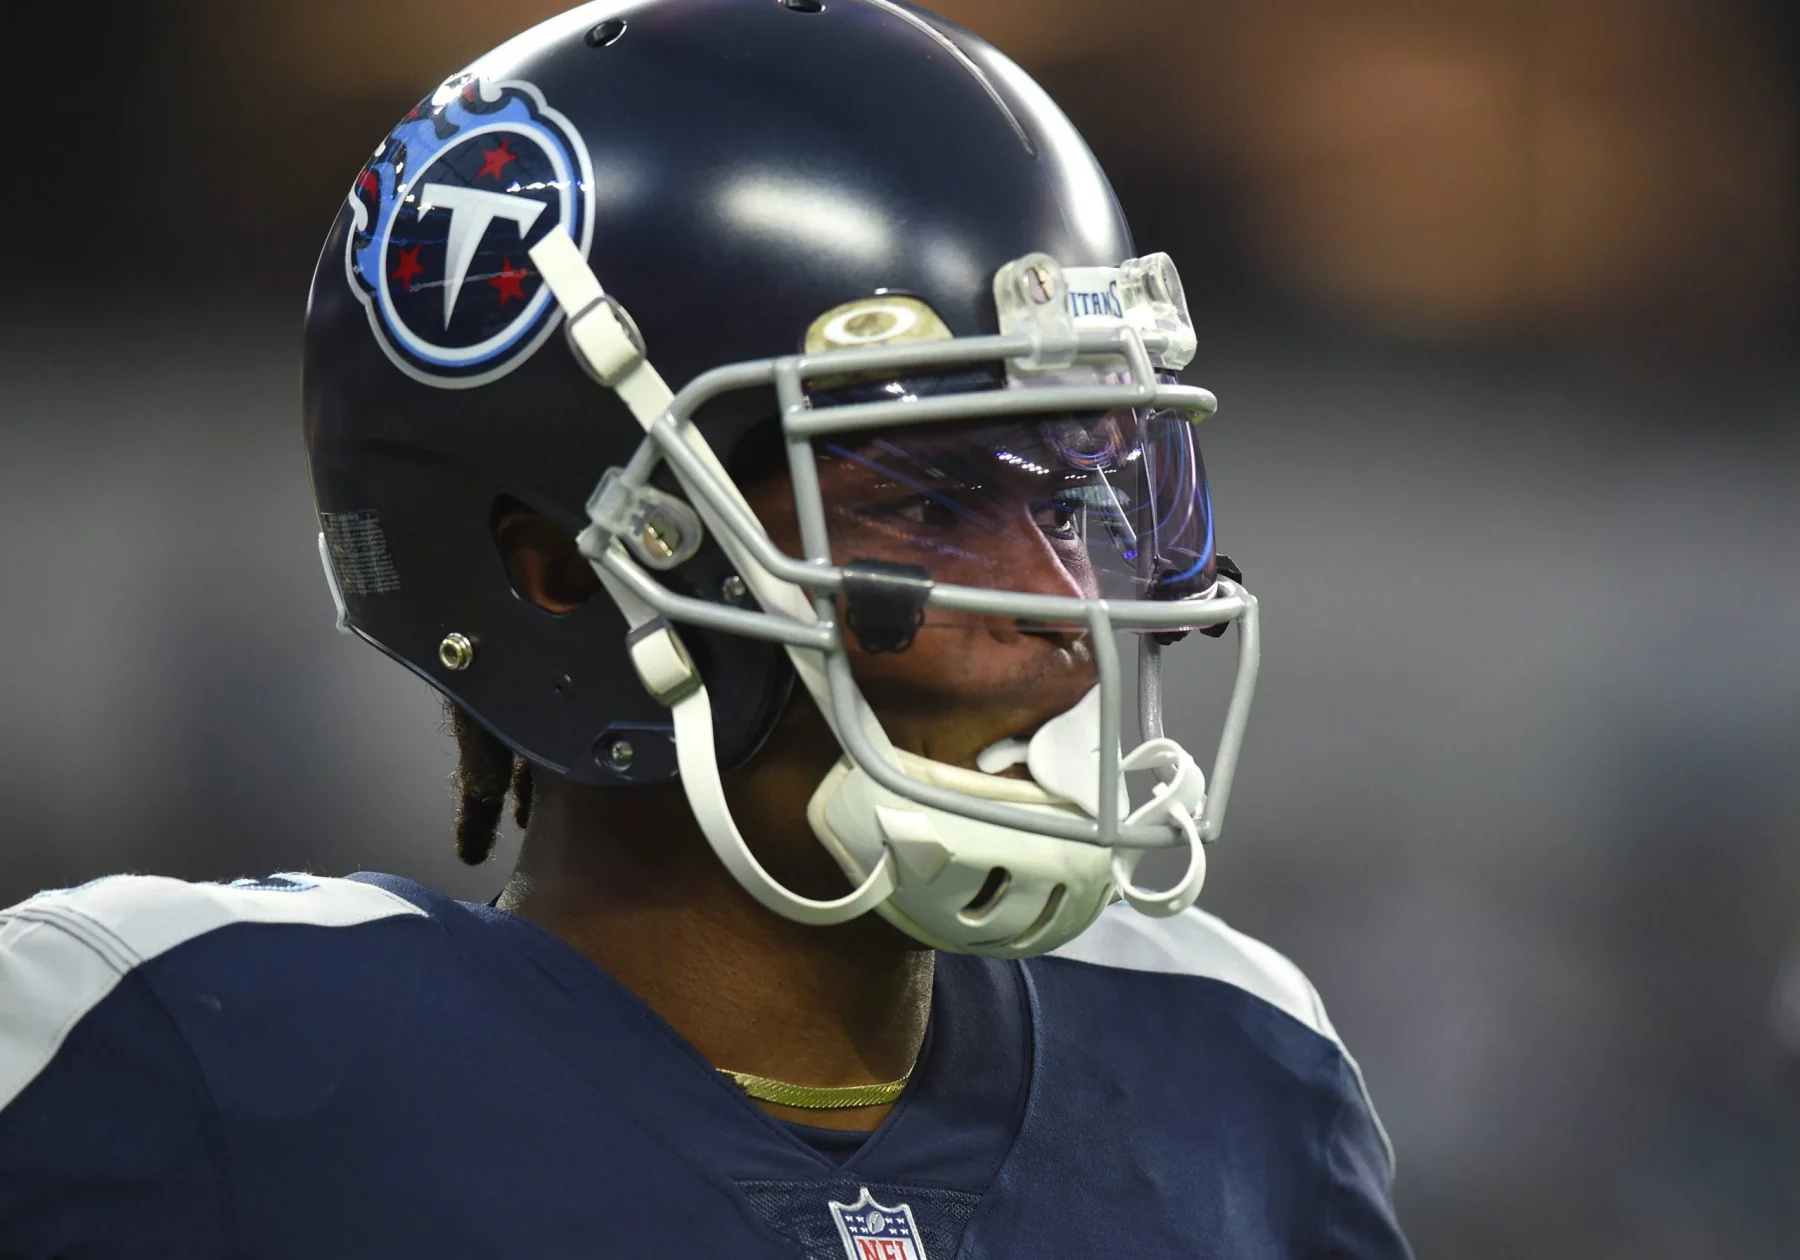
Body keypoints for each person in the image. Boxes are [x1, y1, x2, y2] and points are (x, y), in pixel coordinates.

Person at [0, 1, 1411, 1255]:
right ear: (555, 570)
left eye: (1093, 491)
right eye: (933, 505)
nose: (1069, 604)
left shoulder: (1234, 1060)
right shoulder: (158, 1054)